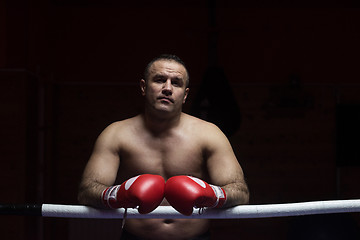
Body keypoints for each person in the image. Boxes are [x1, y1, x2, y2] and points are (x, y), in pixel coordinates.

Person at [78, 54, 249, 240]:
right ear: (144, 87)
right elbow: (87, 191)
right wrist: (118, 194)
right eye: (160, 80)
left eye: (176, 83)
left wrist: (211, 194)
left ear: (185, 95)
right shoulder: (116, 134)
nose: (167, 88)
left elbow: (241, 192)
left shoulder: (209, 134)